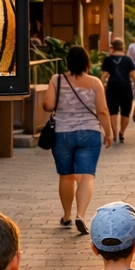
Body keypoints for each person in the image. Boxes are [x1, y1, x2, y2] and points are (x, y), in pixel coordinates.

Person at [44, 46, 112, 234]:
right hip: (89, 133)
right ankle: (80, 215)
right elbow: (102, 111)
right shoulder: (95, 82)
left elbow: (48, 105)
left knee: (66, 176)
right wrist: (109, 132)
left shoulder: (56, 80)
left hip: (62, 133)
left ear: (67, 62)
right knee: (86, 176)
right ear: (86, 62)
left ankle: (66, 215)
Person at [100, 39, 135, 144]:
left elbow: (103, 76)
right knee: (126, 112)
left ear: (113, 47)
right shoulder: (127, 60)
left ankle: (115, 133)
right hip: (126, 87)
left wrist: (101, 88)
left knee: (113, 111)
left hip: (112, 87)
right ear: (123, 47)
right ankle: (122, 132)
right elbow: (134, 75)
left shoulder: (108, 59)